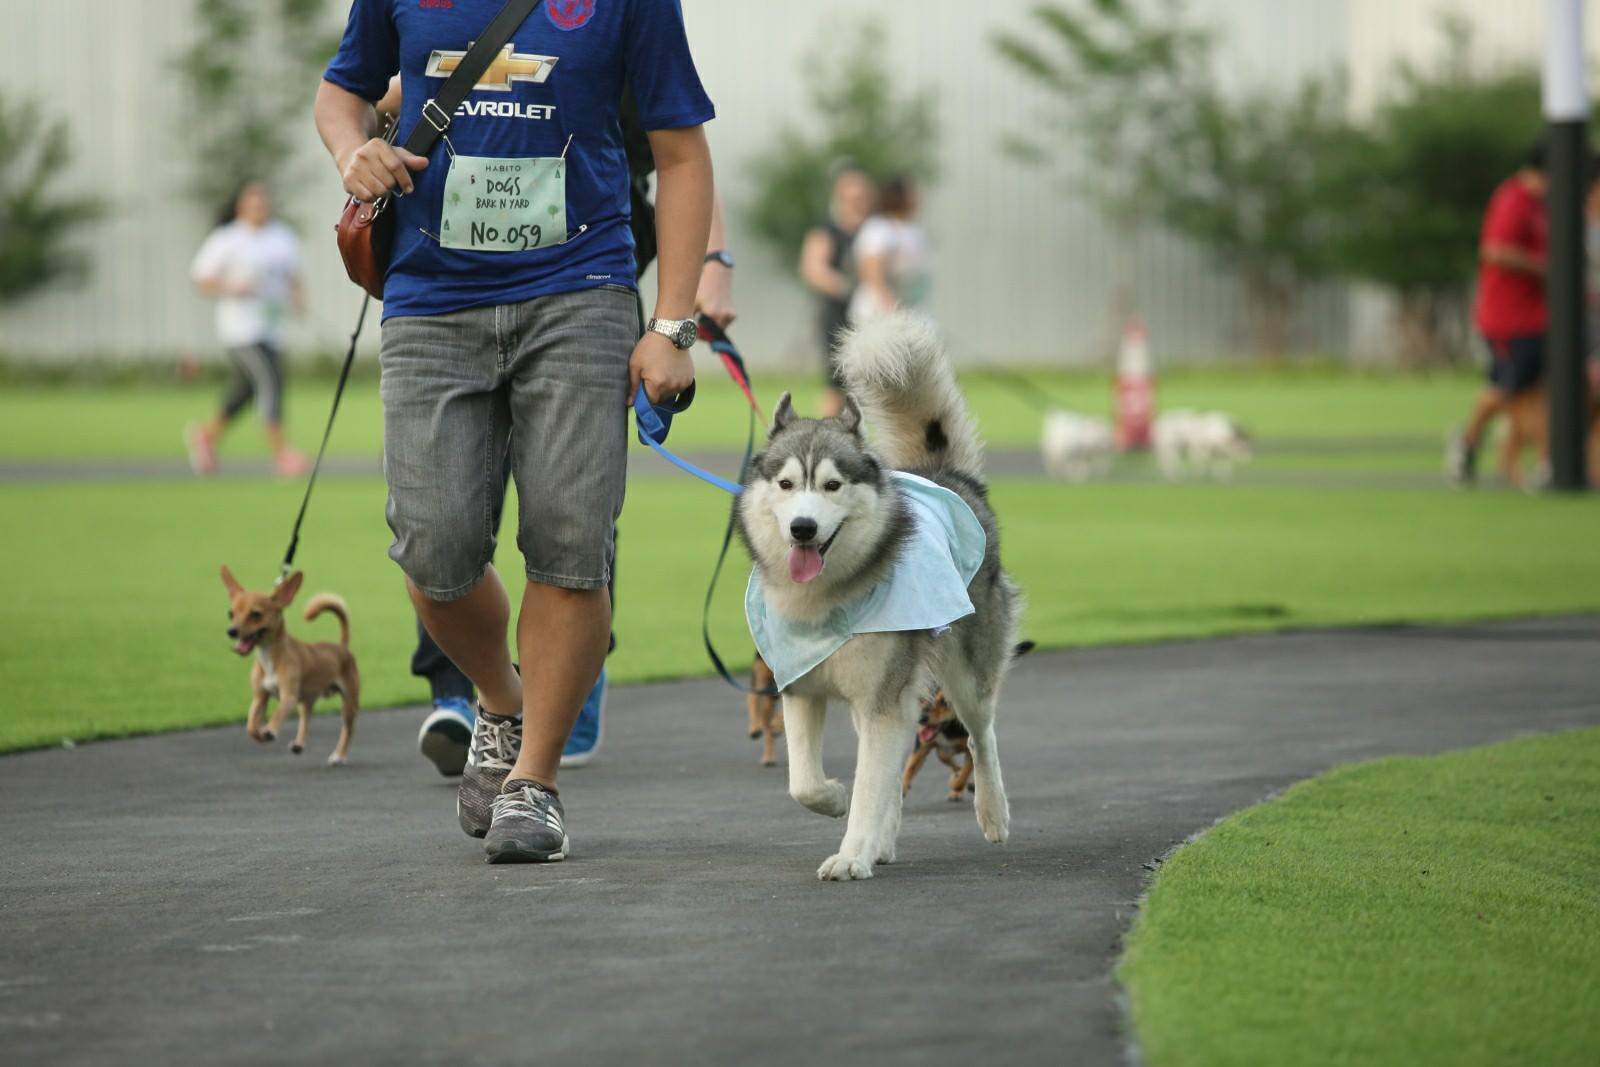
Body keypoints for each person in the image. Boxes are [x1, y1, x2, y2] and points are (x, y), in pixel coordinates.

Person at [316, 0, 715, 863]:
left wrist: (673, 326)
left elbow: (682, 155)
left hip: (583, 289)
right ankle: (502, 696)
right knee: (434, 547)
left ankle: (534, 781)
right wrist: (354, 151)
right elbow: (340, 91)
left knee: (571, 540)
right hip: (430, 300)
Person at [381, 73, 737, 777]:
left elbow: (682, 152)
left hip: (587, 282)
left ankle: (574, 691)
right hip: (447, 286)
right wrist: (382, 118)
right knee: (444, 528)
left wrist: (708, 274)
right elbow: (354, 95)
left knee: (574, 515)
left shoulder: (610, 28)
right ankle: (466, 693)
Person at [185, 182, 310, 478]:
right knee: (269, 380)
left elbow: (292, 274)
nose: (259, 208)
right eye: (253, 203)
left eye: (262, 202)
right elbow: (201, 278)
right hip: (239, 330)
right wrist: (232, 287)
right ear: (241, 207)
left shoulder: (280, 236)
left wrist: (297, 299)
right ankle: (282, 454)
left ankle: (206, 436)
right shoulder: (227, 239)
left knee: (244, 391)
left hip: (271, 326)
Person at [1449, 139, 1549, 486]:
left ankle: (1538, 462)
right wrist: (1546, 268)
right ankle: (1467, 440)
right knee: (1510, 384)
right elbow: (1495, 250)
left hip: (1537, 315)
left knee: (1530, 388)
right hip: (1507, 316)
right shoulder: (1514, 200)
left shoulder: (1542, 204)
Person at [799, 166, 874, 417]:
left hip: (872, 316)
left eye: (862, 196)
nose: (859, 202)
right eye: (853, 196)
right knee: (836, 384)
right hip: (838, 316)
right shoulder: (827, 231)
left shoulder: (875, 231)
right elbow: (813, 270)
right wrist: (850, 289)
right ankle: (828, 437)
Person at [847, 175, 932, 327]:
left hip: (908, 306)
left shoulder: (913, 231)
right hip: (879, 308)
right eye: (912, 193)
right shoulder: (878, 229)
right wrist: (891, 308)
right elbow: (872, 274)